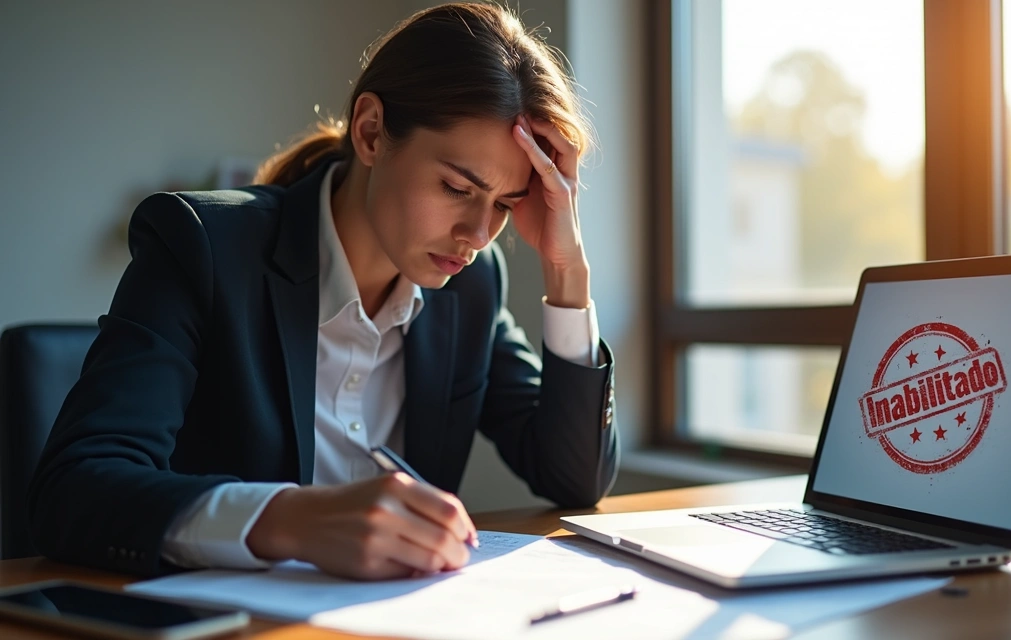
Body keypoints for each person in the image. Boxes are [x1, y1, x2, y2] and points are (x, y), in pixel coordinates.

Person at [28, 2, 617, 580]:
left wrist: (567, 273)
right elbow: (73, 489)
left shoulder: (473, 286)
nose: (479, 235)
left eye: (505, 204)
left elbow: (573, 478)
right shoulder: (204, 246)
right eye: (457, 188)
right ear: (371, 132)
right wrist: (291, 519)